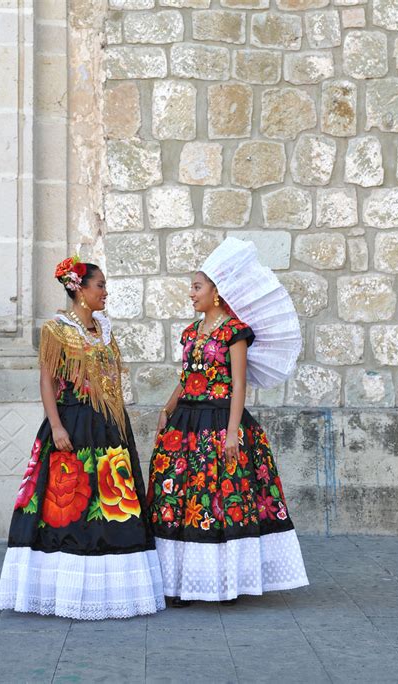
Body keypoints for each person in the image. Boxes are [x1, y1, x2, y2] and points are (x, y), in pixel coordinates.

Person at [0, 256, 165, 619]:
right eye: (99, 285)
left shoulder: (103, 329)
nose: (105, 291)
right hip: (73, 422)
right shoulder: (56, 330)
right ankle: (66, 589)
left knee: (113, 506)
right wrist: (56, 426)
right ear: (79, 289)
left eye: (104, 285)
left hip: (109, 426)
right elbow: (47, 381)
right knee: (70, 508)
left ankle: (112, 589)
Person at [147, 237, 308, 605]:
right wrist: (167, 408)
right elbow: (187, 376)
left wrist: (233, 433)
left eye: (197, 286)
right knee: (179, 497)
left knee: (218, 498)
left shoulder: (234, 333)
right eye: (192, 287)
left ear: (215, 292)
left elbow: (238, 386)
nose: (191, 293)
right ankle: (181, 582)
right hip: (185, 421)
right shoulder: (192, 332)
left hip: (221, 421)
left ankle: (224, 581)